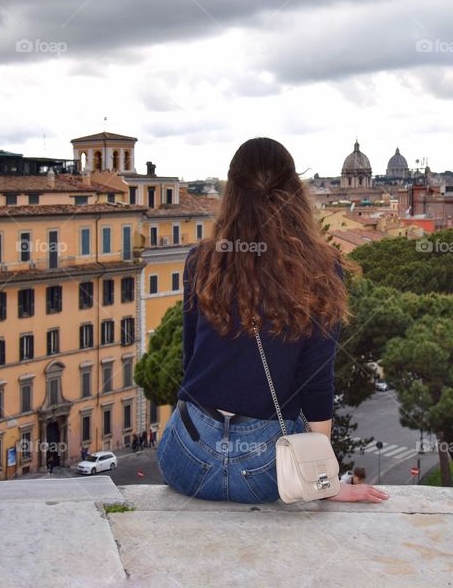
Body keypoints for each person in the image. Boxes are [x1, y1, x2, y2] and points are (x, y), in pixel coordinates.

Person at [157, 138, 388, 505]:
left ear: (231, 192)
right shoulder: (322, 268)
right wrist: (322, 481)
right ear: (295, 192)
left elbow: (190, 362)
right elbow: (317, 385)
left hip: (187, 460)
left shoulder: (200, 260)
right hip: (268, 471)